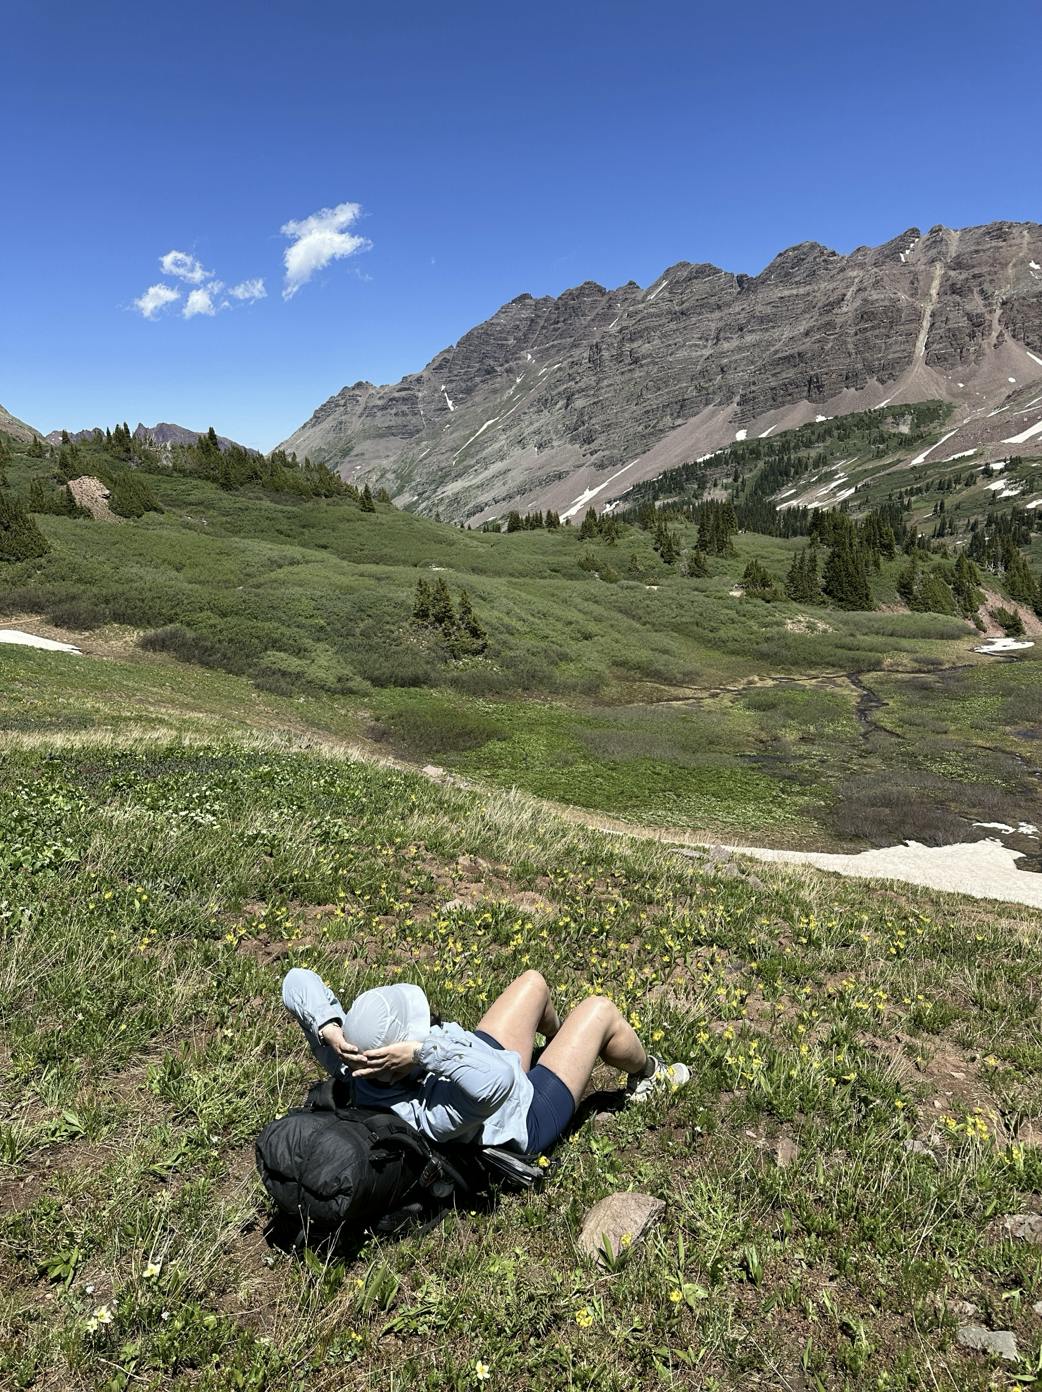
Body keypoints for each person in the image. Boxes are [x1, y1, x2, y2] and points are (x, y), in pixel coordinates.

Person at [281, 967, 689, 1155]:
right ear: (400, 1052)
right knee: (599, 1012)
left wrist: (330, 1030)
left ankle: (560, 1048)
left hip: (479, 1059)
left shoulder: (351, 1063)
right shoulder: (431, 1113)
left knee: (534, 983)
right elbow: (499, 1084)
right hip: (523, 1112)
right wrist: (424, 1051)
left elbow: (296, 979)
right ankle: (650, 1074)